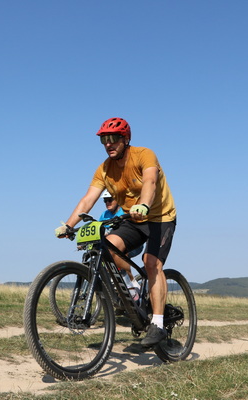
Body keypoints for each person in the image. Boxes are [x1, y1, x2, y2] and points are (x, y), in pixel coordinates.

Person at [54, 117, 177, 347]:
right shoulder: (104, 169)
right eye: (104, 140)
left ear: (126, 139)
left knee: (151, 263)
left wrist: (144, 204)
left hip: (160, 217)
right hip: (133, 218)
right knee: (109, 246)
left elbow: (150, 182)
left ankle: (158, 324)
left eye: (113, 139)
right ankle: (133, 289)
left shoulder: (144, 154)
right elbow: (88, 199)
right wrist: (69, 225)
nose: (108, 144)